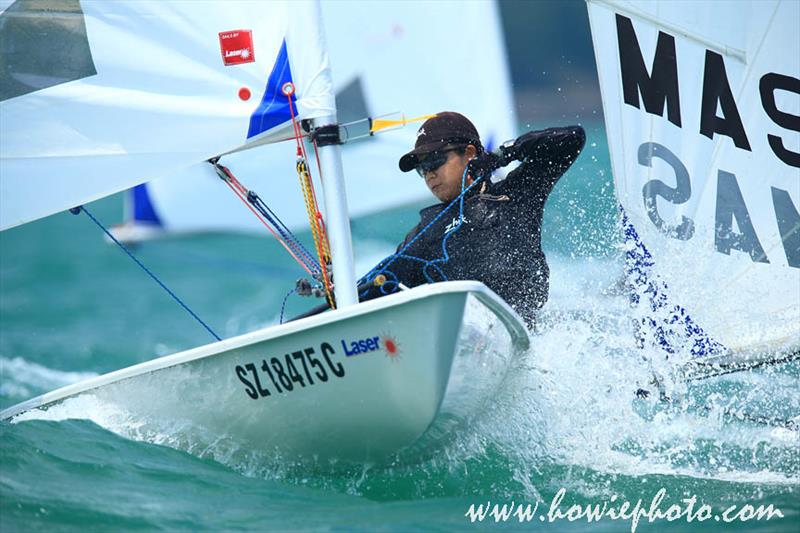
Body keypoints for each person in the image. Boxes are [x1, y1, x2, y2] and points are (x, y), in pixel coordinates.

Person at [362, 111, 585, 327]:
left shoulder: (518, 193)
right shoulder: (427, 230)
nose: (429, 174)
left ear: (469, 153)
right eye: (422, 168)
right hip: (463, 337)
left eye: (434, 161)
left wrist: (502, 155)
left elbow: (571, 139)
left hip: (518, 331)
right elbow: (383, 282)